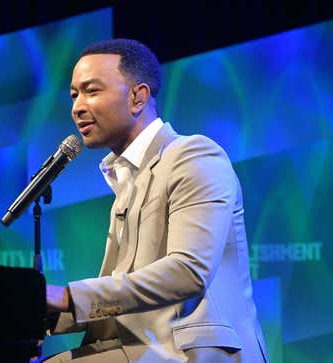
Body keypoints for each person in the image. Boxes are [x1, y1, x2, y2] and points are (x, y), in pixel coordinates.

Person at [44, 39, 268, 362]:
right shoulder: (126, 180)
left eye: (91, 91)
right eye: (74, 95)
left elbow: (188, 271)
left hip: (194, 351)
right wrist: (36, 310)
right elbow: (118, 299)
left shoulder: (192, 155)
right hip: (144, 349)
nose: (77, 107)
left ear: (138, 97)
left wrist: (67, 296)